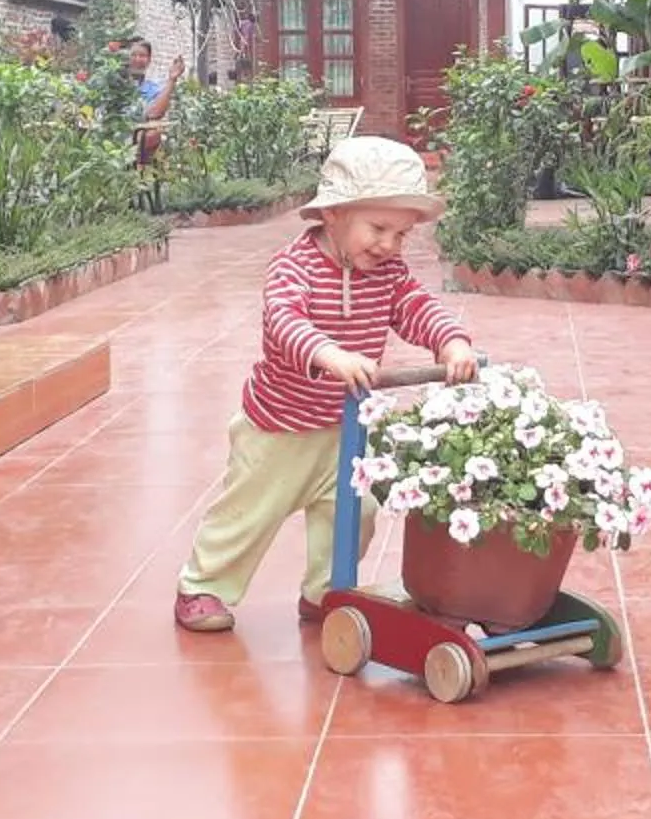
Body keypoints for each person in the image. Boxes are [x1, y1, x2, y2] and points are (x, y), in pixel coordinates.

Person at [172, 135, 477, 633]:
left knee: (354, 515)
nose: (388, 245)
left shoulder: (388, 272)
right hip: (278, 430)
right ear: (333, 214)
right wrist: (329, 354)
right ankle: (204, 586)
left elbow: (416, 307)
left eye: (400, 235)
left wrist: (451, 343)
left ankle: (324, 592)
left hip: (345, 429)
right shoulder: (293, 267)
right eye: (378, 228)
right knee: (248, 515)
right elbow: (284, 321)